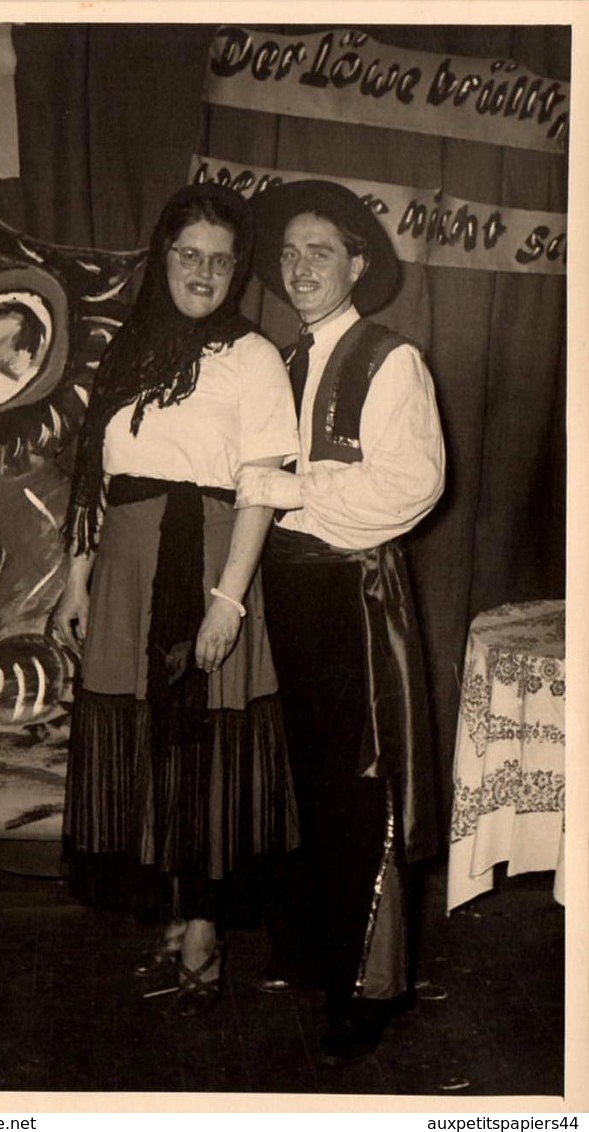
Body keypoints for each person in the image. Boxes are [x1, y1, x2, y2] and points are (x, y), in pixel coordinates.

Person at [54, 182, 299, 1016]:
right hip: (127, 568)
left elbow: (263, 487)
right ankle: (170, 911)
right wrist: (77, 578)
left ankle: (204, 933)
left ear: (239, 272)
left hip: (207, 565)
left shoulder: (256, 356)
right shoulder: (125, 351)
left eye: (220, 260)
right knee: (149, 740)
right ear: (163, 258)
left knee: (203, 748)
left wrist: (229, 601)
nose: (203, 271)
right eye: (188, 254)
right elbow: (97, 477)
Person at [236, 180, 446, 1062]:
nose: (299, 268)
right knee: (303, 775)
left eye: (319, 252)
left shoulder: (390, 359)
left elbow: (412, 484)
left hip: (355, 595)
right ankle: (321, 951)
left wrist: (293, 490)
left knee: (365, 781)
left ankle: (373, 986)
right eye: (288, 254)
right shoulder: (276, 361)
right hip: (288, 591)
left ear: (358, 262)